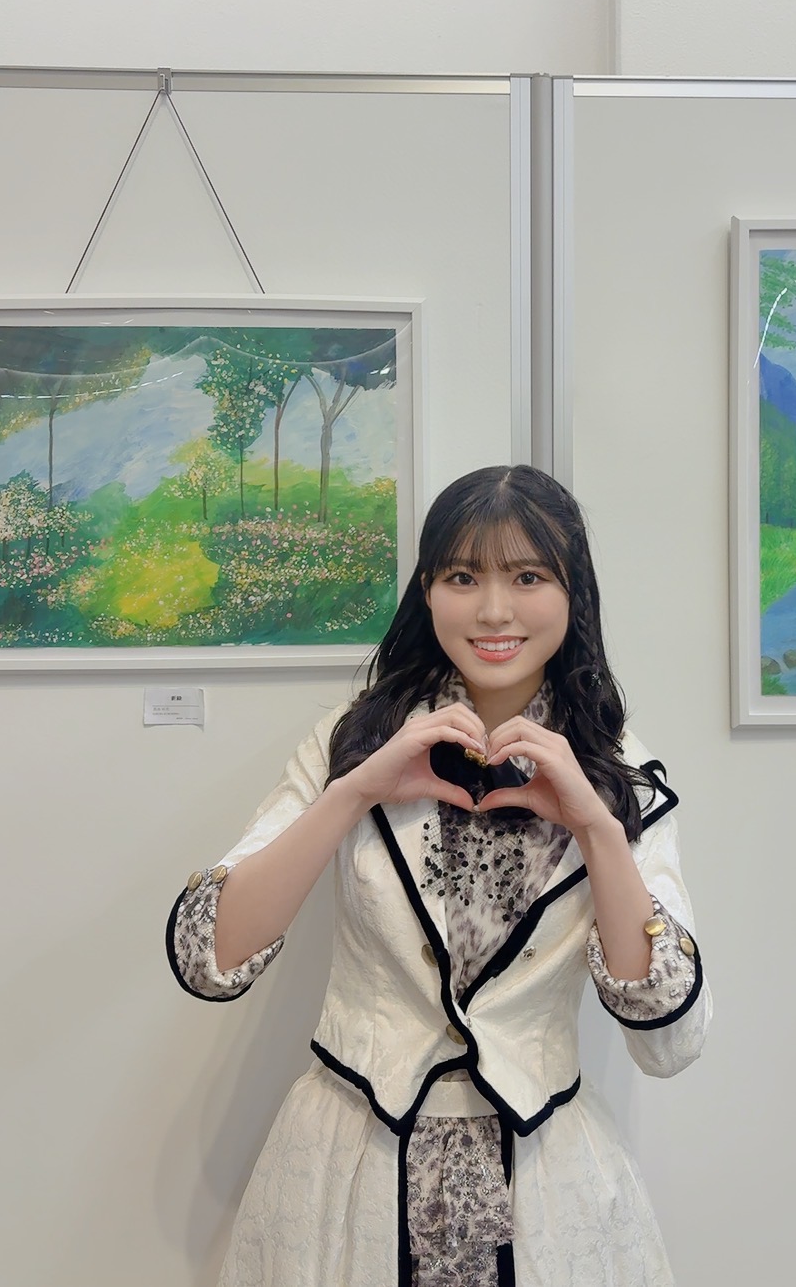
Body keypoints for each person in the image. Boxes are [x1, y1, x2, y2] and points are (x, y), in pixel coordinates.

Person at [167, 464, 710, 1287]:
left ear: (575, 593)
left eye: (527, 577)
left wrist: (598, 827)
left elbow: (670, 1039)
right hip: (348, 1169)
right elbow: (210, 958)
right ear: (427, 590)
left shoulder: (620, 776)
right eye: (463, 577)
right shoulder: (351, 744)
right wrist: (353, 792)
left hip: (546, 1184)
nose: (493, 611)